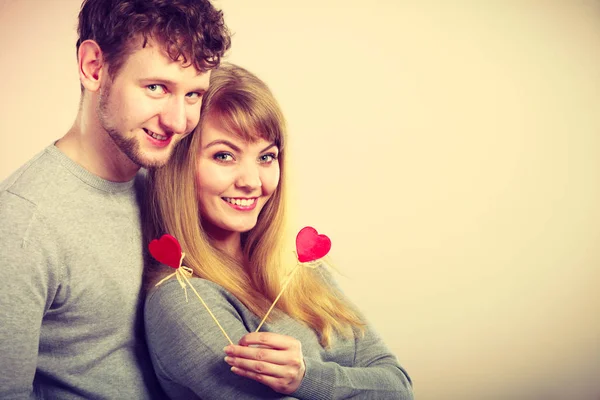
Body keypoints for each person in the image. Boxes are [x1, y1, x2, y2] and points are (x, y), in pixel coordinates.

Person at [0, 0, 230, 397]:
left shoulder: (166, 184)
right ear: (94, 67)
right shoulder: (22, 223)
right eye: (156, 88)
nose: (178, 122)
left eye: (193, 94)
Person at [143, 63, 414, 399]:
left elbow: (398, 386)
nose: (252, 182)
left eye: (266, 157)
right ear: (179, 166)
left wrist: (307, 378)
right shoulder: (181, 298)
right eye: (224, 155)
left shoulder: (296, 268)